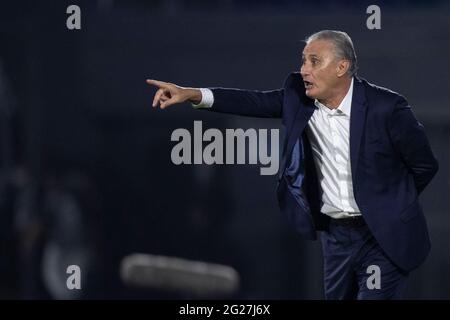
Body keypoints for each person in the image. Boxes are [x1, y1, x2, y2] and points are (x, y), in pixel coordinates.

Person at [146, 30, 439, 299]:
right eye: (304, 61)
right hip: (336, 238)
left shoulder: (387, 107)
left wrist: (389, 206)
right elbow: (253, 102)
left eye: (314, 61)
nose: (304, 70)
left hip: (380, 238)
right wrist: (193, 93)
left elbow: (424, 165)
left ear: (341, 67)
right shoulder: (299, 98)